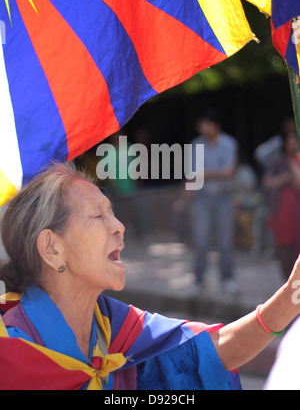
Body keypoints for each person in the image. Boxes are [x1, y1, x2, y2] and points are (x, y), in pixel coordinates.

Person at [1, 163, 300, 390]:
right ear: (52, 248)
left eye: (113, 213)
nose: (119, 226)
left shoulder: (113, 325)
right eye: (98, 215)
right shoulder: (8, 354)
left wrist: (291, 295)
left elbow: (204, 352)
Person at [188, 109, 238, 294]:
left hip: (224, 198)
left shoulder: (230, 143)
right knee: (201, 242)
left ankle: (227, 279)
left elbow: (230, 171)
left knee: (226, 242)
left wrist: (206, 173)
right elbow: (195, 173)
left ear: (214, 126)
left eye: (204, 123)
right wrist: (218, 173)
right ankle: (198, 281)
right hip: (202, 199)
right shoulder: (196, 144)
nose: (201, 127)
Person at [263, 129, 300, 280]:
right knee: (283, 246)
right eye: (289, 140)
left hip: (297, 210)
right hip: (281, 210)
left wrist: (291, 161)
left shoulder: (296, 160)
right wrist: (284, 178)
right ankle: (288, 283)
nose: (292, 143)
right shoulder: (276, 161)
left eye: (294, 140)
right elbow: (268, 182)